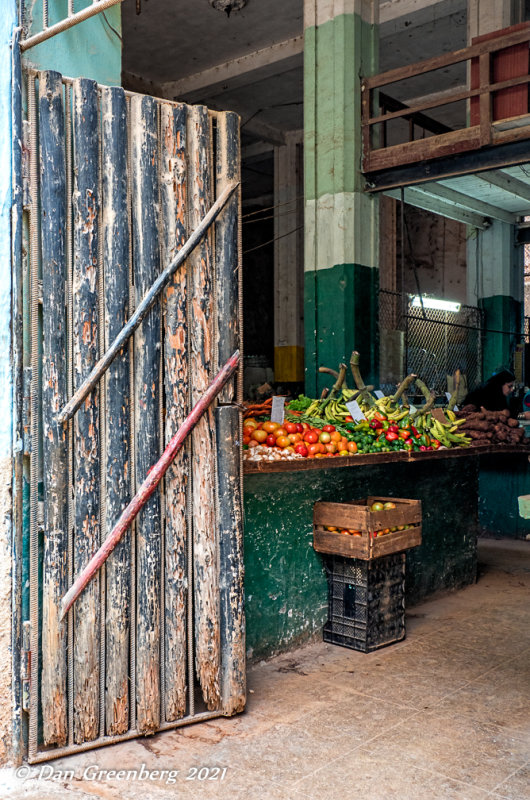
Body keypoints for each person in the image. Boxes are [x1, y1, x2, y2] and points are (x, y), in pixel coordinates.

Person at [463, 369, 530, 418]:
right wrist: (522, 415)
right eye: (509, 386)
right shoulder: (488, 393)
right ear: (500, 384)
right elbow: (505, 413)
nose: (512, 389)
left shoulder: (499, 395)